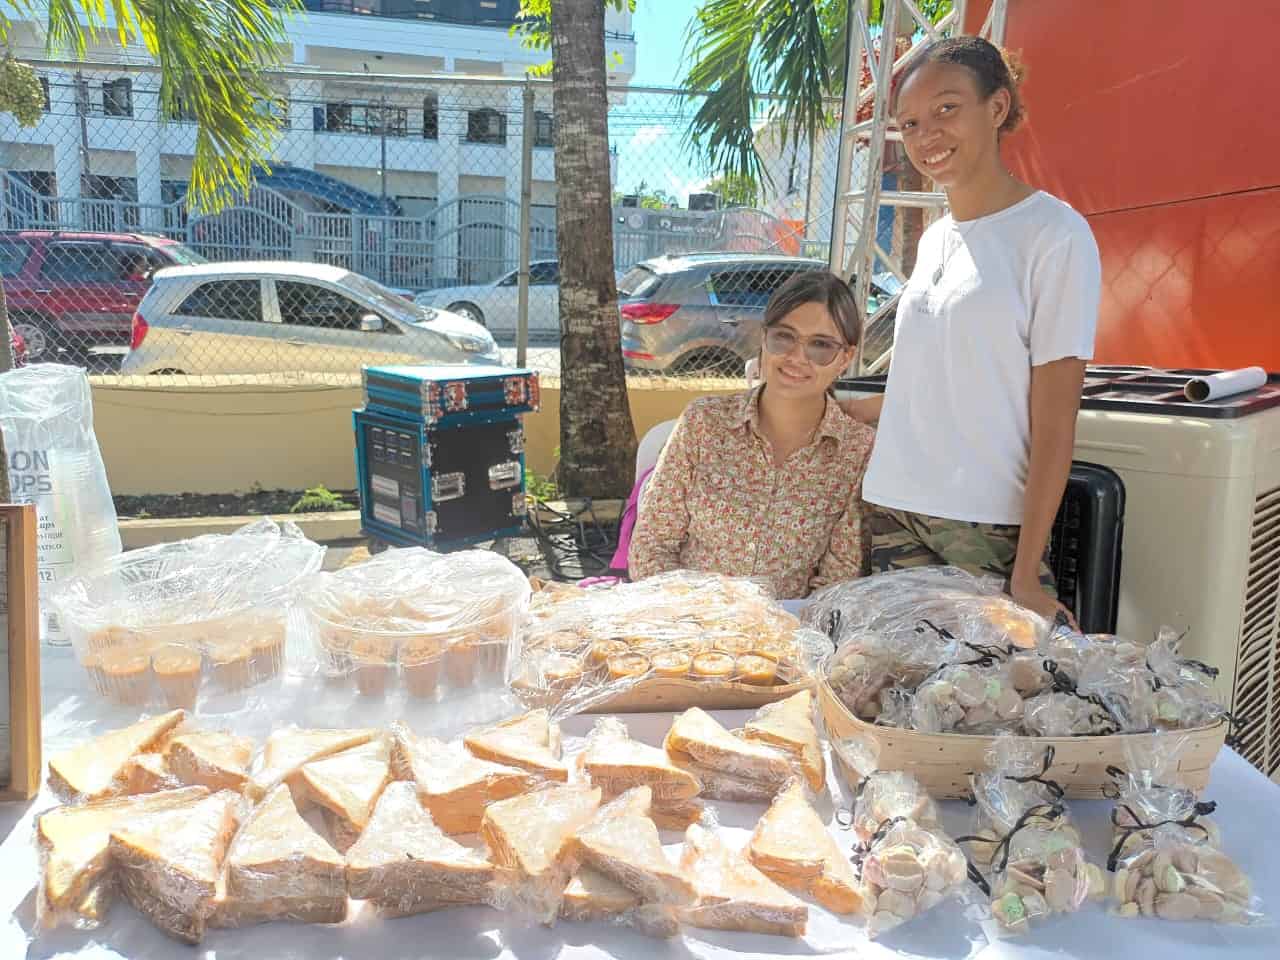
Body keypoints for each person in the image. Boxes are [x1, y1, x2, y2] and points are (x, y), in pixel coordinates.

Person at [841, 36, 1102, 623]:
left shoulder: (1054, 235)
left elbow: (1056, 420)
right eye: (910, 123)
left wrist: (1027, 567)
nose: (925, 135)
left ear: (998, 108)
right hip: (891, 505)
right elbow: (938, 382)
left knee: (979, 700)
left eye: (946, 109)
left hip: (981, 523)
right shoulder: (935, 236)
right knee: (897, 693)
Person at [628, 270, 876, 600]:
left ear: (845, 358)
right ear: (764, 338)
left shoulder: (857, 452)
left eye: (821, 346)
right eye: (784, 337)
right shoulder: (704, 423)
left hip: (790, 635)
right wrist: (691, 624)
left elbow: (838, 583)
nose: (797, 357)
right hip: (687, 626)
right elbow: (651, 547)